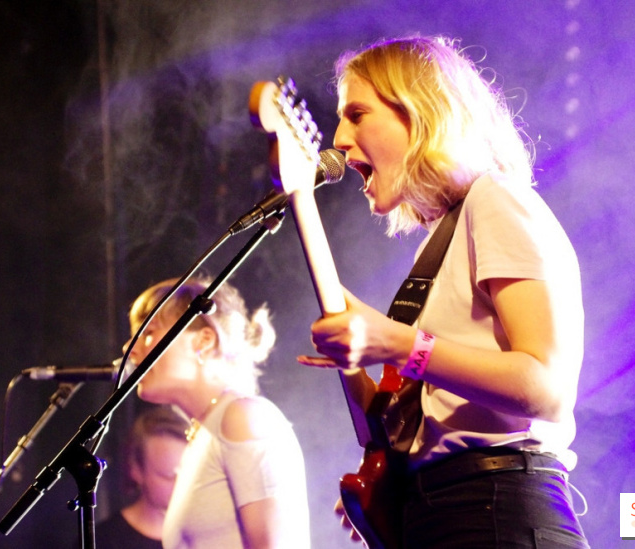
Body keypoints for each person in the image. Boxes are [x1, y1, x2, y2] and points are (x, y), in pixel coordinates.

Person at [297, 36, 589, 547]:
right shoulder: (440, 241)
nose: (339, 138)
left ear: (418, 111)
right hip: (447, 512)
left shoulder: (494, 200)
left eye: (357, 113)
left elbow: (547, 389)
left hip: (498, 509)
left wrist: (396, 344)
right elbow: (406, 424)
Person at [125, 277, 310, 548]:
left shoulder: (242, 418)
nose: (130, 349)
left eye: (149, 332)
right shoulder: (205, 432)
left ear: (204, 340)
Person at [95, 405, 189, 549]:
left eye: (189, 474)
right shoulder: (104, 540)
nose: (182, 485)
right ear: (136, 470)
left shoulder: (206, 533)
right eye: (169, 476)